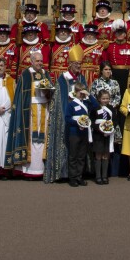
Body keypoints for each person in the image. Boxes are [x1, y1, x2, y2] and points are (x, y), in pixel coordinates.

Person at [5, 51, 53, 178]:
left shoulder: (45, 74)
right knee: (31, 139)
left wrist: (49, 92)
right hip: (30, 112)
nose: (40, 63)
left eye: (41, 61)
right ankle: (28, 170)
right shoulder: (26, 75)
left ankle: (41, 170)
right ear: (31, 61)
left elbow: (51, 92)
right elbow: (21, 96)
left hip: (44, 109)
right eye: (37, 61)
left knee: (42, 139)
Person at [44, 44, 87, 183]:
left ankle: (78, 175)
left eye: (80, 64)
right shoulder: (62, 79)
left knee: (79, 151)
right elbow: (57, 99)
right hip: (66, 117)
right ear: (69, 64)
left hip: (80, 119)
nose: (78, 66)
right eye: (75, 64)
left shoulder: (82, 79)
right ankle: (64, 173)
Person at [90, 61, 122, 177]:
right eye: (105, 69)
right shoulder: (96, 83)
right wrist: (101, 107)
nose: (108, 72)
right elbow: (92, 97)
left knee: (109, 148)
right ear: (101, 71)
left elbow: (118, 97)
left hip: (111, 113)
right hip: (99, 116)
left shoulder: (115, 83)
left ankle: (107, 174)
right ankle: (98, 176)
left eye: (109, 69)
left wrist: (109, 108)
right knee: (99, 148)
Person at [65, 81, 99, 187]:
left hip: (84, 132)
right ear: (75, 92)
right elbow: (67, 118)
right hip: (74, 132)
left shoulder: (86, 103)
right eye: (80, 91)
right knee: (73, 156)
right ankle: (72, 178)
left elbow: (96, 105)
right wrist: (77, 123)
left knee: (81, 156)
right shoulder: (71, 104)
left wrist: (89, 95)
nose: (81, 93)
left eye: (83, 91)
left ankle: (79, 177)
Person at [102, 19, 130, 96]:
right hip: (113, 73)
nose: (120, 35)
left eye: (122, 33)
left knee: (125, 93)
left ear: (125, 34)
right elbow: (105, 61)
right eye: (118, 33)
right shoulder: (110, 46)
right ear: (115, 34)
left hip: (127, 74)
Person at [91, 89, 116, 185]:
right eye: (103, 98)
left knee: (106, 155)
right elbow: (92, 122)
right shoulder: (95, 108)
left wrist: (110, 129)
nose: (105, 100)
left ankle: (104, 176)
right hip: (98, 135)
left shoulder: (111, 108)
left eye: (107, 98)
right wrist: (100, 129)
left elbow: (115, 120)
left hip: (108, 135)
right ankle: (98, 177)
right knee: (98, 155)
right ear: (99, 99)